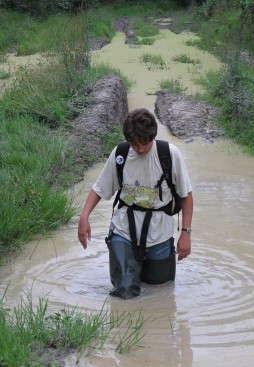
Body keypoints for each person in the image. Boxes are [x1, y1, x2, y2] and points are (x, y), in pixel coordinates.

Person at [78, 108, 193, 300]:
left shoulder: (169, 155)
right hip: (123, 230)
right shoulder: (121, 154)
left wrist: (186, 234)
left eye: (144, 144)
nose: (139, 149)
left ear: (153, 136)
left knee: (161, 291)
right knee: (124, 290)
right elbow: (100, 188)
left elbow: (186, 196)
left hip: (160, 235)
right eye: (134, 144)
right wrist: (84, 216)